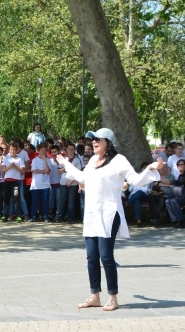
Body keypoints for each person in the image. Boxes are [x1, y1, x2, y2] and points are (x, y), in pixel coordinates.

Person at [56, 128, 163, 311]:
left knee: (106, 256)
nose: (94, 142)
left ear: (109, 142)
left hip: (109, 213)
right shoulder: (92, 161)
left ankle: (113, 298)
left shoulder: (119, 160)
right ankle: (95, 296)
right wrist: (66, 163)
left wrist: (151, 168)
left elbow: (136, 181)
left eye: (98, 139)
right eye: (93, 140)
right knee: (91, 257)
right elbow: (82, 177)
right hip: (92, 214)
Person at [57, 143, 83, 222]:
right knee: (62, 200)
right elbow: (59, 171)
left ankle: (70, 218)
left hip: (73, 183)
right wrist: (66, 167)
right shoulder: (63, 159)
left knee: (71, 201)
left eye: (72, 149)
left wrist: (70, 181)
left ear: (74, 150)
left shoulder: (77, 159)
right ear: (66, 150)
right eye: (69, 149)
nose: (70, 151)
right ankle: (59, 217)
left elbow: (78, 172)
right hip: (63, 181)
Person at [28, 143, 51, 222]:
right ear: (38, 151)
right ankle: (33, 215)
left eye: (45, 150)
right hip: (36, 185)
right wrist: (43, 171)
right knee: (35, 201)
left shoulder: (48, 160)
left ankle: (45, 216)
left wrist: (45, 161)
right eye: (42, 150)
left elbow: (48, 171)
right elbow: (34, 170)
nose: (44, 152)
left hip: (45, 184)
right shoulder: (35, 160)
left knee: (45, 201)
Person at [125, 162, 152, 227]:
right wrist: (141, 187)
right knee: (137, 200)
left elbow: (147, 190)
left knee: (139, 192)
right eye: (144, 168)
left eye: (147, 168)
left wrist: (137, 187)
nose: (145, 169)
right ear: (141, 169)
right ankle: (138, 221)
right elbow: (130, 189)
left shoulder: (150, 177)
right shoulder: (135, 176)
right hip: (134, 195)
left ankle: (127, 203)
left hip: (144, 196)